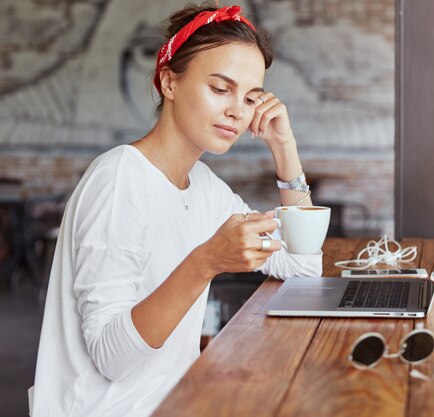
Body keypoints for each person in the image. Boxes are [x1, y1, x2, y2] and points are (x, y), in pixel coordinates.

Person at [31, 3, 321, 416]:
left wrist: (284, 148)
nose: (238, 111)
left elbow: (303, 266)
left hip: (177, 403)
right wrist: (205, 262)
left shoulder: (204, 187)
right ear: (169, 82)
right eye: (220, 89)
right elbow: (111, 358)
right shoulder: (119, 180)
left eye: (250, 96)